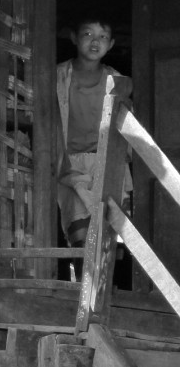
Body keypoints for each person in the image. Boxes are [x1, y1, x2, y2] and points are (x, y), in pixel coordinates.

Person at [56, 16, 133, 252]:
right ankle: (82, 286)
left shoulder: (118, 82)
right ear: (74, 38)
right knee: (81, 238)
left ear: (110, 44)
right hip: (70, 165)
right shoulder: (57, 76)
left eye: (102, 37)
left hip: (108, 162)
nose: (95, 42)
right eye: (88, 34)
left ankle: (108, 287)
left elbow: (128, 126)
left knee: (113, 236)